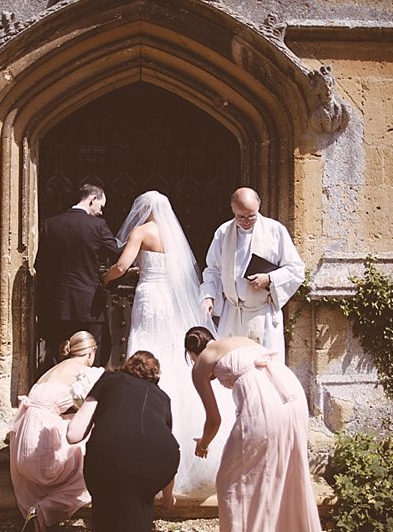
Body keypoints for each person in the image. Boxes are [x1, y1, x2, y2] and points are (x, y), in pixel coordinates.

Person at [101, 190, 234, 497]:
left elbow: (122, 266)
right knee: (170, 355)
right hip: (168, 299)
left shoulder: (141, 231)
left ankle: (140, 420)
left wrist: (105, 280)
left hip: (148, 297)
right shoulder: (171, 235)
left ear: (143, 209)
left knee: (144, 347)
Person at [185, 326, 322, 532]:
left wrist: (203, 444)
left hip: (265, 407)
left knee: (230, 481)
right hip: (293, 397)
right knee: (283, 470)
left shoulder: (201, 362)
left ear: (192, 352)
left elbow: (214, 420)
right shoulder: (237, 340)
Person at [67, 351, 180, 532]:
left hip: (108, 457)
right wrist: (167, 498)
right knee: (140, 507)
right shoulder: (163, 398)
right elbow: (162, 442)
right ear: (155, 376)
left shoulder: (109, 379)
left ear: (128, 365)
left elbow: (74, 434)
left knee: (105, 509)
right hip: (157, 463)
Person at [200, 187, 306, 364]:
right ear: (233, 209)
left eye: (252, 216)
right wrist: (209, 295)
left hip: (262, 313)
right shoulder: (223, 232)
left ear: (259, 207)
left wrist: (270, 279)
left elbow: (296, 269)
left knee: (263, 368)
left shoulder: (275, 230)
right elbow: (213, 269)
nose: (247, 221)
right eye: (241, 217)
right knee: (230, 365)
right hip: (232, 312)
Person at [10, 331, 100, 532]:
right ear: (90, 353)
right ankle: (43, 511)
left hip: (23, 445)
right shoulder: (82, 372)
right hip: (42, 453)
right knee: (91, 465)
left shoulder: (54, 369)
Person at [35, 183, 119, 372]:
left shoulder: (50, 224)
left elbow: (40, 265)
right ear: (92, 199)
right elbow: (116, 254)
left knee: (61, 353)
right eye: (101, 206)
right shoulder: (98, 226)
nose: (100, 212)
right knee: (93, 354)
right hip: (89, 305)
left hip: (58, 304)